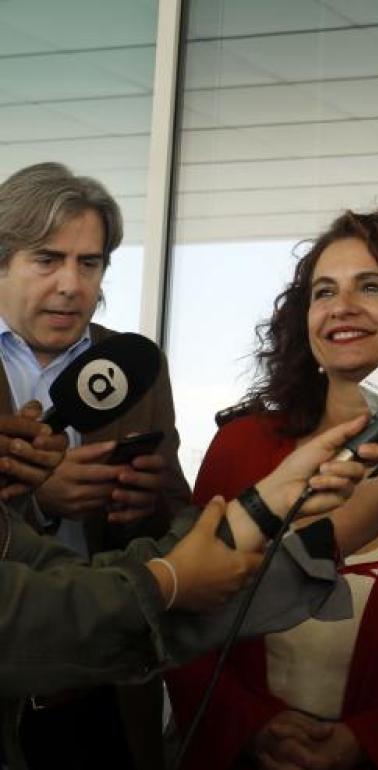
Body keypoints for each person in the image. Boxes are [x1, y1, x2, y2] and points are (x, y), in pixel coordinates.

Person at [166, 210, 378, 770]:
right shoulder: (239, 448)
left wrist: (366, 741)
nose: (342, 306)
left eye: (371, 286)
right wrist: (255, 726)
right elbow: (180, 621)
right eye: (324, 292)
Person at [1, 406, 378, 768]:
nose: (344, 309)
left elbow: (72, 582)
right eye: (325, 299)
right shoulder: (242, 440)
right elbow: (42, 617)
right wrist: (166, 583)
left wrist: (266, 504)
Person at [0, 161, 193, 770]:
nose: (71, 284)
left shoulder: (135, 364)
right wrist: (38, 496)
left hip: (108, 692)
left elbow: (179, 511)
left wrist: (149, 502)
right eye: (47, 259)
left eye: (90, 263)